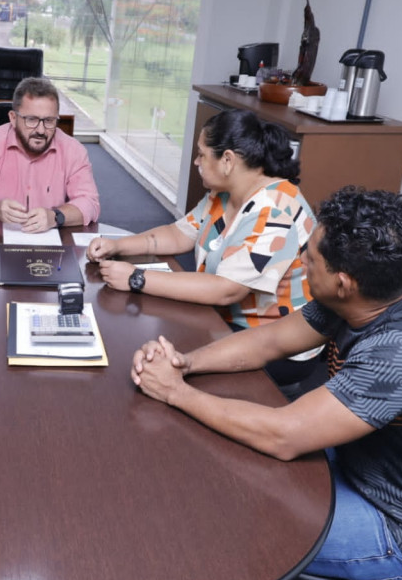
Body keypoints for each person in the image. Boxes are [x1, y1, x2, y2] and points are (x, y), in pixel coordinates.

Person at [130, 188, 402, 580]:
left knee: (228, 528)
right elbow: (270, 341)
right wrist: (184, 364)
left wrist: (173, 391)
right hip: (363, 465)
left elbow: (285, 436)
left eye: (310, 259)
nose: (300, 262)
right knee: (220, 472)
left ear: (343, 282)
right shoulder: (363, 298)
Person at [87, 108, 318, 385]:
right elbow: (178, 234)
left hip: (273, 344)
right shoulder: (225, 194)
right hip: (226, 321)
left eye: (202, 154)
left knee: (153, 358)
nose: (197, 162)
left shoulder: (276, 209)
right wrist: (116, 245)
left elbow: (225, 289)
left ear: (228, 161)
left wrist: (136, 277)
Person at [0, 76, 100, 232]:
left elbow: (90, 203)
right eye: (31, 119)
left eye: (49, 121)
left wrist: (55, 216)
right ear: (13, 118)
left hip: (51, 244)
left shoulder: (73, 150)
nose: (41, 130)